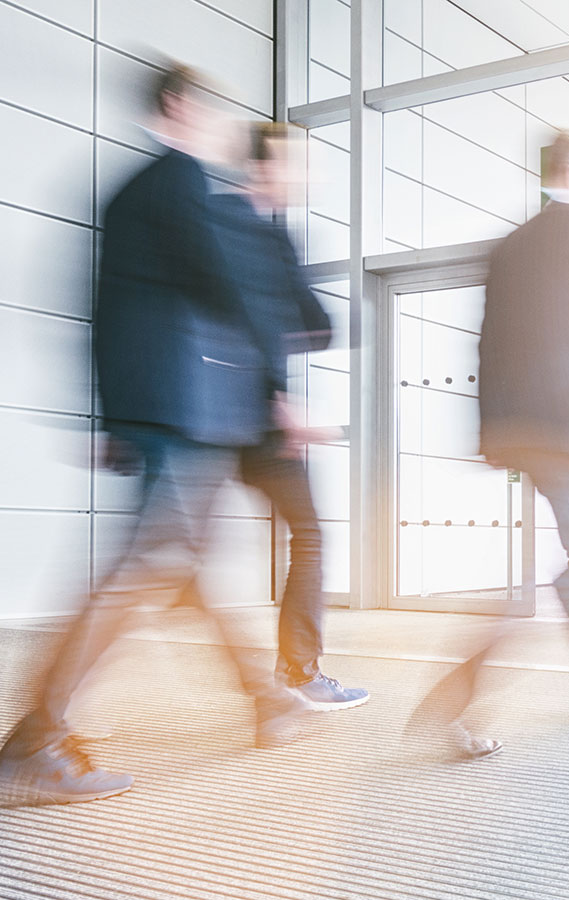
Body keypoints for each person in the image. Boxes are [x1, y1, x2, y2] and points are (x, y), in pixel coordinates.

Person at [0, 66, 310, 807]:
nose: (212, 127)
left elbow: (93, 309)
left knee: (190, 564)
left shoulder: (129, 193)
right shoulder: (182, 185)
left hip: (159, 408)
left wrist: (111, 417)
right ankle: (35, 742)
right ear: (177, 106)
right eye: (206, 110)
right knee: (141, 571)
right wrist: (279, 392)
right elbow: (229, 291)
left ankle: (267, 698)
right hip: (182, 410)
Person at [413, 134, 569, 759]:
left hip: (515, 425)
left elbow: (484, 343)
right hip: (561, 426)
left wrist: (490, 432)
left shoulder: (510, 247)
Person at [211, 122, 368, 711]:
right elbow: (238, 318)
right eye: (295, 163)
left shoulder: (277, 237)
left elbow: (318, 321)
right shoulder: (227, 223)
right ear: (263, 167)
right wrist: (280, 398)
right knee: (172, 556)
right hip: (233, 415)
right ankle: (293, 676)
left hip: (254, 418)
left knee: (306, 534)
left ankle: (295, 672)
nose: (306, 175)